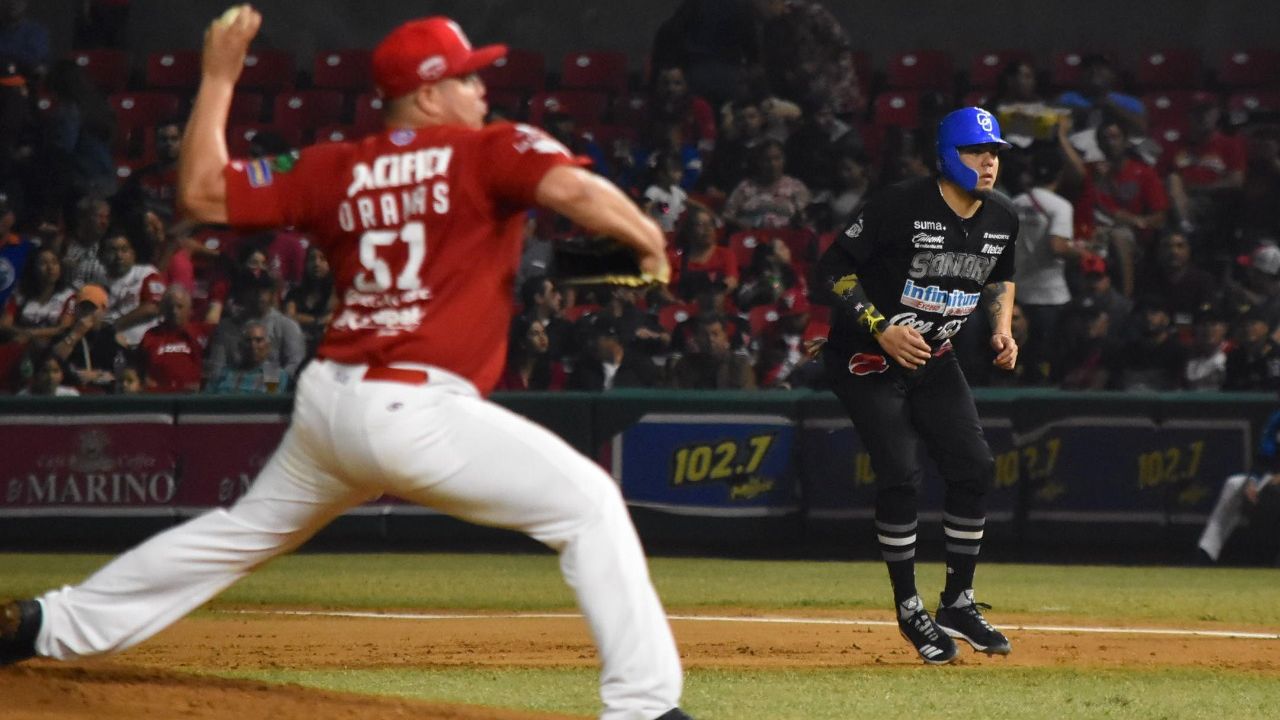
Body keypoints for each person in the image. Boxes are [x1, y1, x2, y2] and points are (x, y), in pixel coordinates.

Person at [0, 12, 693, 720]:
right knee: (592, 505)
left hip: (330, 407)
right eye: (466, 76)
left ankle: (48, 623)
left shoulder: (334, 166)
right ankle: (644, 708)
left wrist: (218, 75)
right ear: (427, 96)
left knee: (236, 535)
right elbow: (575, 193)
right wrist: (647, 241)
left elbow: (203, 192)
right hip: (416, 410)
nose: (482, 89)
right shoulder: (488, 149)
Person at [813, 107, 1019, 664]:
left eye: (995, 152)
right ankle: (909, 608)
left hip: (936, 356)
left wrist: (1001, 330)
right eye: (978, 151)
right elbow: (830, 269)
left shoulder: (1002, 216)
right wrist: (880, 330)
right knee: (901, 473)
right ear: (947, 155)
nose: (989, 162)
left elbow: (1001, 273)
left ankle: (958, 601)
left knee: (974, 466)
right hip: (865, 358)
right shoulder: (899, 204)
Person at [1197, 409, 1280, 565]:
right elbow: (1263, 458)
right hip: (1272, 477)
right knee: (1234, 484)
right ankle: (1206, 553)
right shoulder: (1277, 418)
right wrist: (1253, 480)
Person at [204, 320, 288, 394]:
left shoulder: (272, 373)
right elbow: (207, 400)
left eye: (258, 340)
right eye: (248, 341)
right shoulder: (225, 372)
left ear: (268, 346)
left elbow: (272, 405)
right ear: (240, 346)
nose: (253, 345)